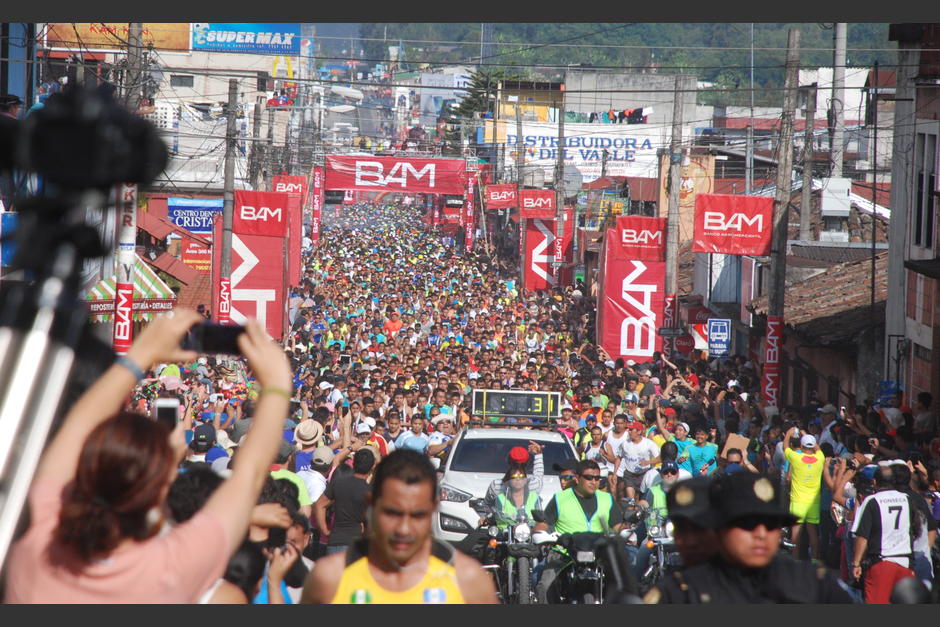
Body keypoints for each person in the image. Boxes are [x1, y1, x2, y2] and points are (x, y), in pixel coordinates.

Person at [4, 311, 293, 603]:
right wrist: (278, 382)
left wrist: (139, 354)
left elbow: (77, 428)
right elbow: (250, 473)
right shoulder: (169, 571)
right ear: (160, 489)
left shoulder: (39, 534)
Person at [301, 450, 498, 603]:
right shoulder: (329, 579)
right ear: (370, 505)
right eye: (392, 513)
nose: (404, 529)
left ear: (434, 508)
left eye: (418, 515)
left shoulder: (468, 582)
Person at [649, 472, 853, 604]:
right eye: (747, 524)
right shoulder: (680, 593)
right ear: (719, 526)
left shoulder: (814, 584)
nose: (761, 534)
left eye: (771, 524)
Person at [533, 460, 625, 603]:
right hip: (564, 552)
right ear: (577, 478)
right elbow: (543, 524)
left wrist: (619, 534)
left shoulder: (606, 499)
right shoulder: (560, 498)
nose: (594, 482)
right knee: (545, 585)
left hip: (598, 553)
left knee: (624, 583)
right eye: (589, 477)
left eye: (597, 478)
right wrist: (540, 534)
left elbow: (618, 524)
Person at [850, 462, 922, 603]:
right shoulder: (907, 499)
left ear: (875, 482)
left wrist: (856, 563)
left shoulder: (872, 500)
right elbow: (916, 528)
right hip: (905, 562)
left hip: (881, 562)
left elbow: (862, 536)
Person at [314, 449, 375, 556]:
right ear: (372, 467)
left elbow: (319, 505)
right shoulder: (369, 491)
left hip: (334, 541)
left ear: (354, 463)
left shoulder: (338, 483)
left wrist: (324, 530)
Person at [783, 427, 826, 561]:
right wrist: (805, 434)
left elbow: (785, 447)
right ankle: (814, 560)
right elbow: (818, 449)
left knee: (796, 533)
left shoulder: (796, 457)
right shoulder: (820, 458)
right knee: (813, 532)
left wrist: (789, 433)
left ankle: (795, 561)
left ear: (801, 446)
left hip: (798, 501)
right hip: (813, 501)